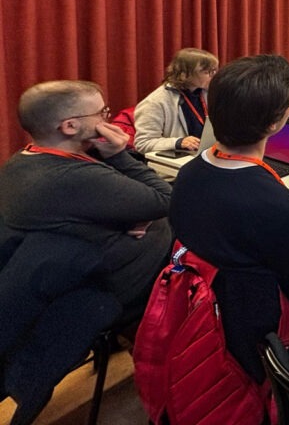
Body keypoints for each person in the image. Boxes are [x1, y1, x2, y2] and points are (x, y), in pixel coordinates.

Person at [0, 80, 173, 423]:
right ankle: (171, 373)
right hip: (98, 289)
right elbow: (164, 199)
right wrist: (121, 155)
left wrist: (127, 219)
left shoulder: (20, 164)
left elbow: (75, 217)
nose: (108, 119)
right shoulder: (71, 177)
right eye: (102, 113)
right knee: (184, 242)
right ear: (70, 126)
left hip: (57, 280)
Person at [169, 55, 289, 385]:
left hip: (206, 315)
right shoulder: (281, 207)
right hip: (267, 338)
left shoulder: (188, 174)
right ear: (274, 124)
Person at [133, 48, 219, 153]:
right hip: (178, 161)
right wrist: (178, 142)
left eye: (214, 71)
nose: (213, 76)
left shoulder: (208, 93)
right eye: (206, 72)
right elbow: (143, 143)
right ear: (184, 74)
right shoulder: (155, 102)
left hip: (208, 153)